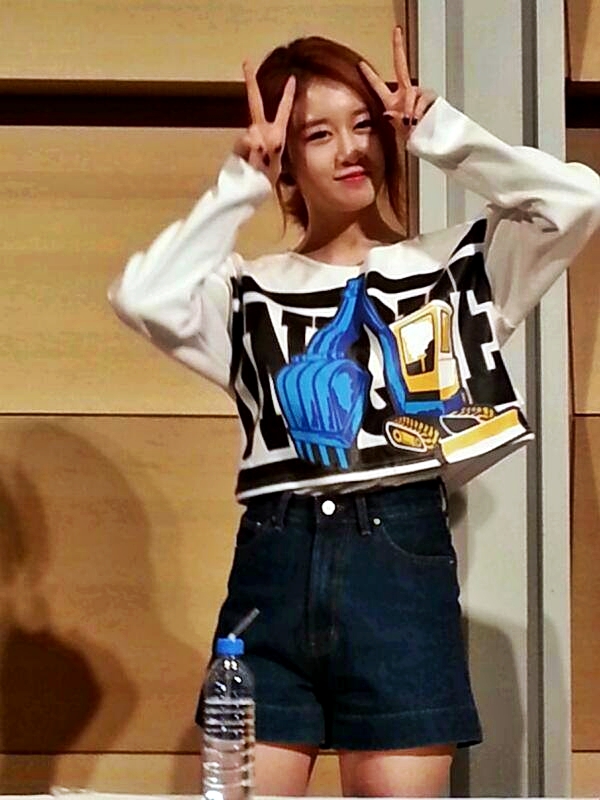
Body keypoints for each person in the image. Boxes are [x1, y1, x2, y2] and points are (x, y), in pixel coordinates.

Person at [109, 28, 600, 797]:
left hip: (398, 571)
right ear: (286, 160)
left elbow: (576, 201)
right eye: (319, 133)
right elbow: (144, 295)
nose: (351, 149)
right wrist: (238, 185)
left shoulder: (451, 268)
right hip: (272, 570)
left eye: (364, 124)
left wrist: (441, 131)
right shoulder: (249, 290)